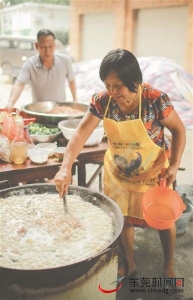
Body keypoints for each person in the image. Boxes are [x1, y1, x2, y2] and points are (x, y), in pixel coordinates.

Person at [54, 49, 186, 281]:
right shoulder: (102, 101)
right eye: (107, 84)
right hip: (119, 172)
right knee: (122, 217)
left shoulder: (155, 100)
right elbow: (79, 135)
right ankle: (129, 264)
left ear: (134, 81)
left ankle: (168, 265)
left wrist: (174, 164)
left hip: (154, 172)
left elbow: (178, 130)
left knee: (164, 219)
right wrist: (65, 167)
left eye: (118, 85)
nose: (112, 91)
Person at [6, 29, 77, 110]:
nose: (47, 51)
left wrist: (75, 100)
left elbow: (71, 81)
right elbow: (19, 85)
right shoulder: (30, 64)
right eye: (43, 47)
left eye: (50, 46)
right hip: (38, 110)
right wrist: (10, 103)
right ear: (36, 46)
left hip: (60, 110)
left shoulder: (65, 61)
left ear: (55, 45)